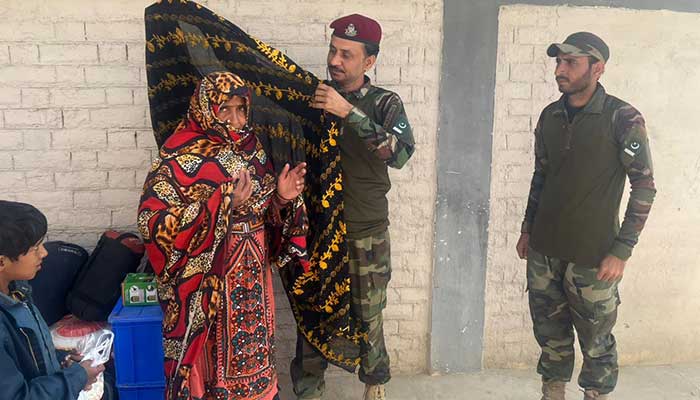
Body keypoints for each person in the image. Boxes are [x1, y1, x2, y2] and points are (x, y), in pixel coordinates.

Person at [138, 71, 308, 400]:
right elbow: (153, 221)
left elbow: (267, 211)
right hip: (211, 277)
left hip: (254, 275)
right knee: (214, 355)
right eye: (225, 109)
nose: (235, 118)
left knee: (254, 345)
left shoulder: (252, 148)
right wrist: (224, 203)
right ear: (206, 108)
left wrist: (282, 198)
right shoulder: (179, 155)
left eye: (241, 109)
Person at [515, 32, 656, 400]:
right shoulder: (550, 115)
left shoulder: (622, 117)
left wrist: (621, 250)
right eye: (558, 62)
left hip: (594, 257)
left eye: (570, 63)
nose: (560, 70)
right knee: (550, 336)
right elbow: (541, 175)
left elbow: (644, 186)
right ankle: (553, 393)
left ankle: (596, 395)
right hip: (545, 251)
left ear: (597, 68)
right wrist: (527, 230)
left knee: (596, 342)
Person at [290, 13, 415, 400]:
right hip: (318, 231)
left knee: (368, 314)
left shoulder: (384, 103)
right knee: (312, 315)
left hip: (365, 231)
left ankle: (374, 384)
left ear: (369, 61)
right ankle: (309, 390)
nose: (336, 60)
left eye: (347, 53)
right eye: (333, 50)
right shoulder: (314, 98)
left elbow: (399, 153)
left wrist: (348, 112)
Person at [0, 200, 104, 400]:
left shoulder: (17, 292)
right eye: (35, 248)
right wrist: (76, 378)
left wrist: (60, 362)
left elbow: (28, 358)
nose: (45, 253)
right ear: (2, 261)